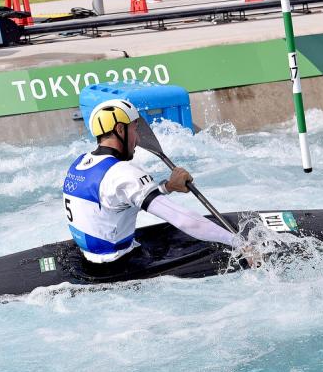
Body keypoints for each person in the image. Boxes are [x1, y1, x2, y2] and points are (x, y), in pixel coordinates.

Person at [62, 99, 235, 264]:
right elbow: (185, 221)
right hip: (118, 262)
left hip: (90, 255)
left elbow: (116, 202)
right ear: (120, 129)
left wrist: (168, 187)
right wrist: (240, 243)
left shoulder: (79, 163)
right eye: (135, 130)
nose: (137, 140)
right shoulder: (123, 173)